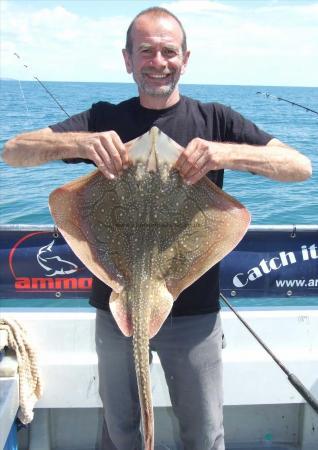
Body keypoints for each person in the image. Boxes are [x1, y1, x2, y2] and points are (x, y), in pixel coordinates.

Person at [3, 6, 312, 450]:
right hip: (119, 300)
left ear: (186, 59)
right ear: (127, 59)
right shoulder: (102, 117)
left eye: (169, 51)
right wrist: (81, 143)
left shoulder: (215, 120)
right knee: (120, 429)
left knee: (205, 433)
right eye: (145, 51)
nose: (158, 61)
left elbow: (298, 166)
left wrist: (224, 154)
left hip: (194, 312)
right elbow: (14, 151)